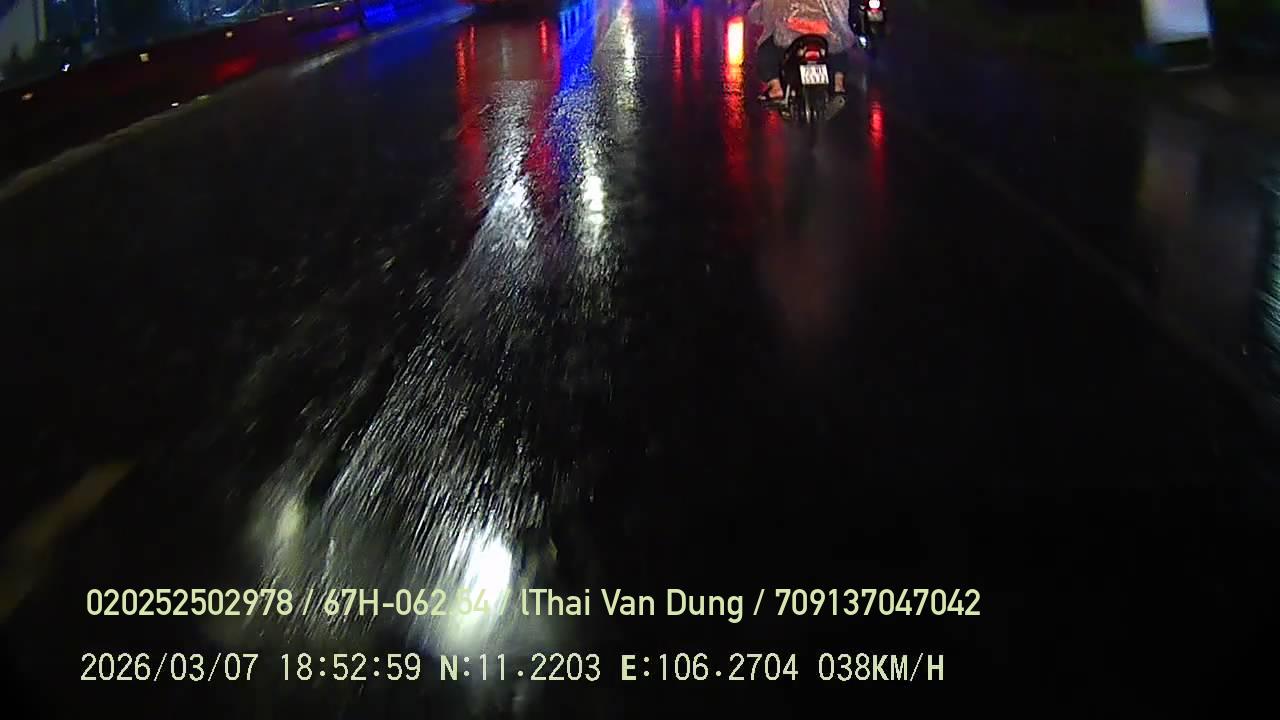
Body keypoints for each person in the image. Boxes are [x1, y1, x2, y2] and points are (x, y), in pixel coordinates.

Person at [749, 0, 855, 102]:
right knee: (839, 49)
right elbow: (841, 12)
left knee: (766, 50)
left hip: (791, 34)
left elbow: (763, 9)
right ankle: (838, 84)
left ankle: (776, 88)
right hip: (825, 34)